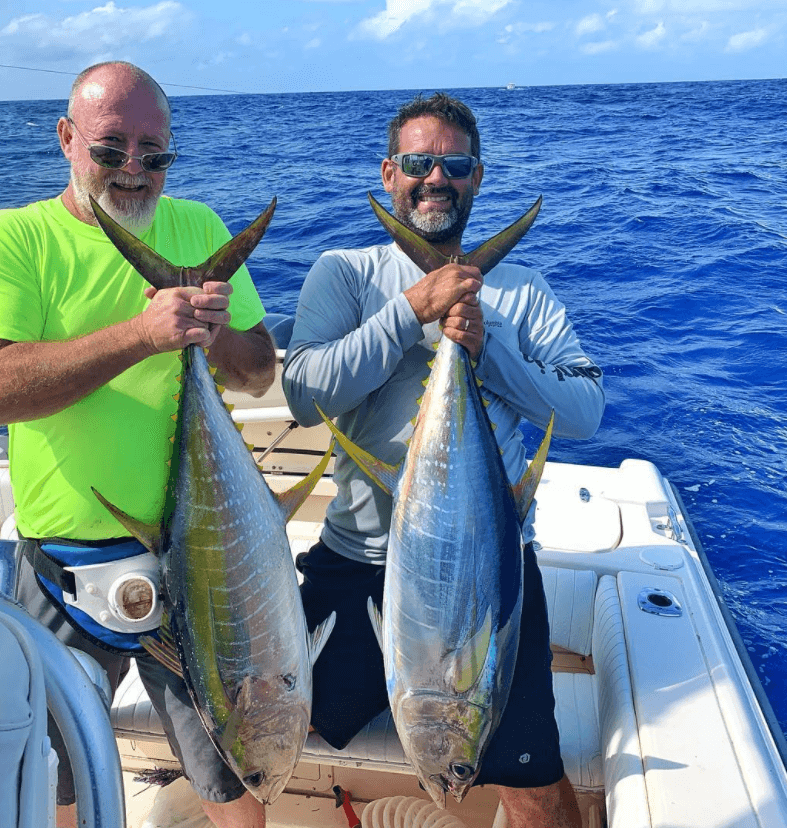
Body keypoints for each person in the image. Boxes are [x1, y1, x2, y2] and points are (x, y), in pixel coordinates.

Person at [283, 93, 605, 827]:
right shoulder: (344, 272)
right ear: (389, 173)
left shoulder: (523, 290)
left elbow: (585, 412)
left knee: (529, 775)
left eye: (454, 166)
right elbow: (302, 394)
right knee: (274, 716)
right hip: (358, 555)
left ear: (476, 177)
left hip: (487, 565)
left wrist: (488, 350)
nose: (436, 178)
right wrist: (410, 312)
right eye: (418, 163)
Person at [0, 62, 273, 828]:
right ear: (65, 138)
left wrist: (215, 336)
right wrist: (141, 335)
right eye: (110, 148)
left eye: (155, 153)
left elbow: (257, 372)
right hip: (64, 567)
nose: (133, 168)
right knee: (57, 780)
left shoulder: (200, 226)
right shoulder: (18, 238)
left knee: (238, 768)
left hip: (201, 557)